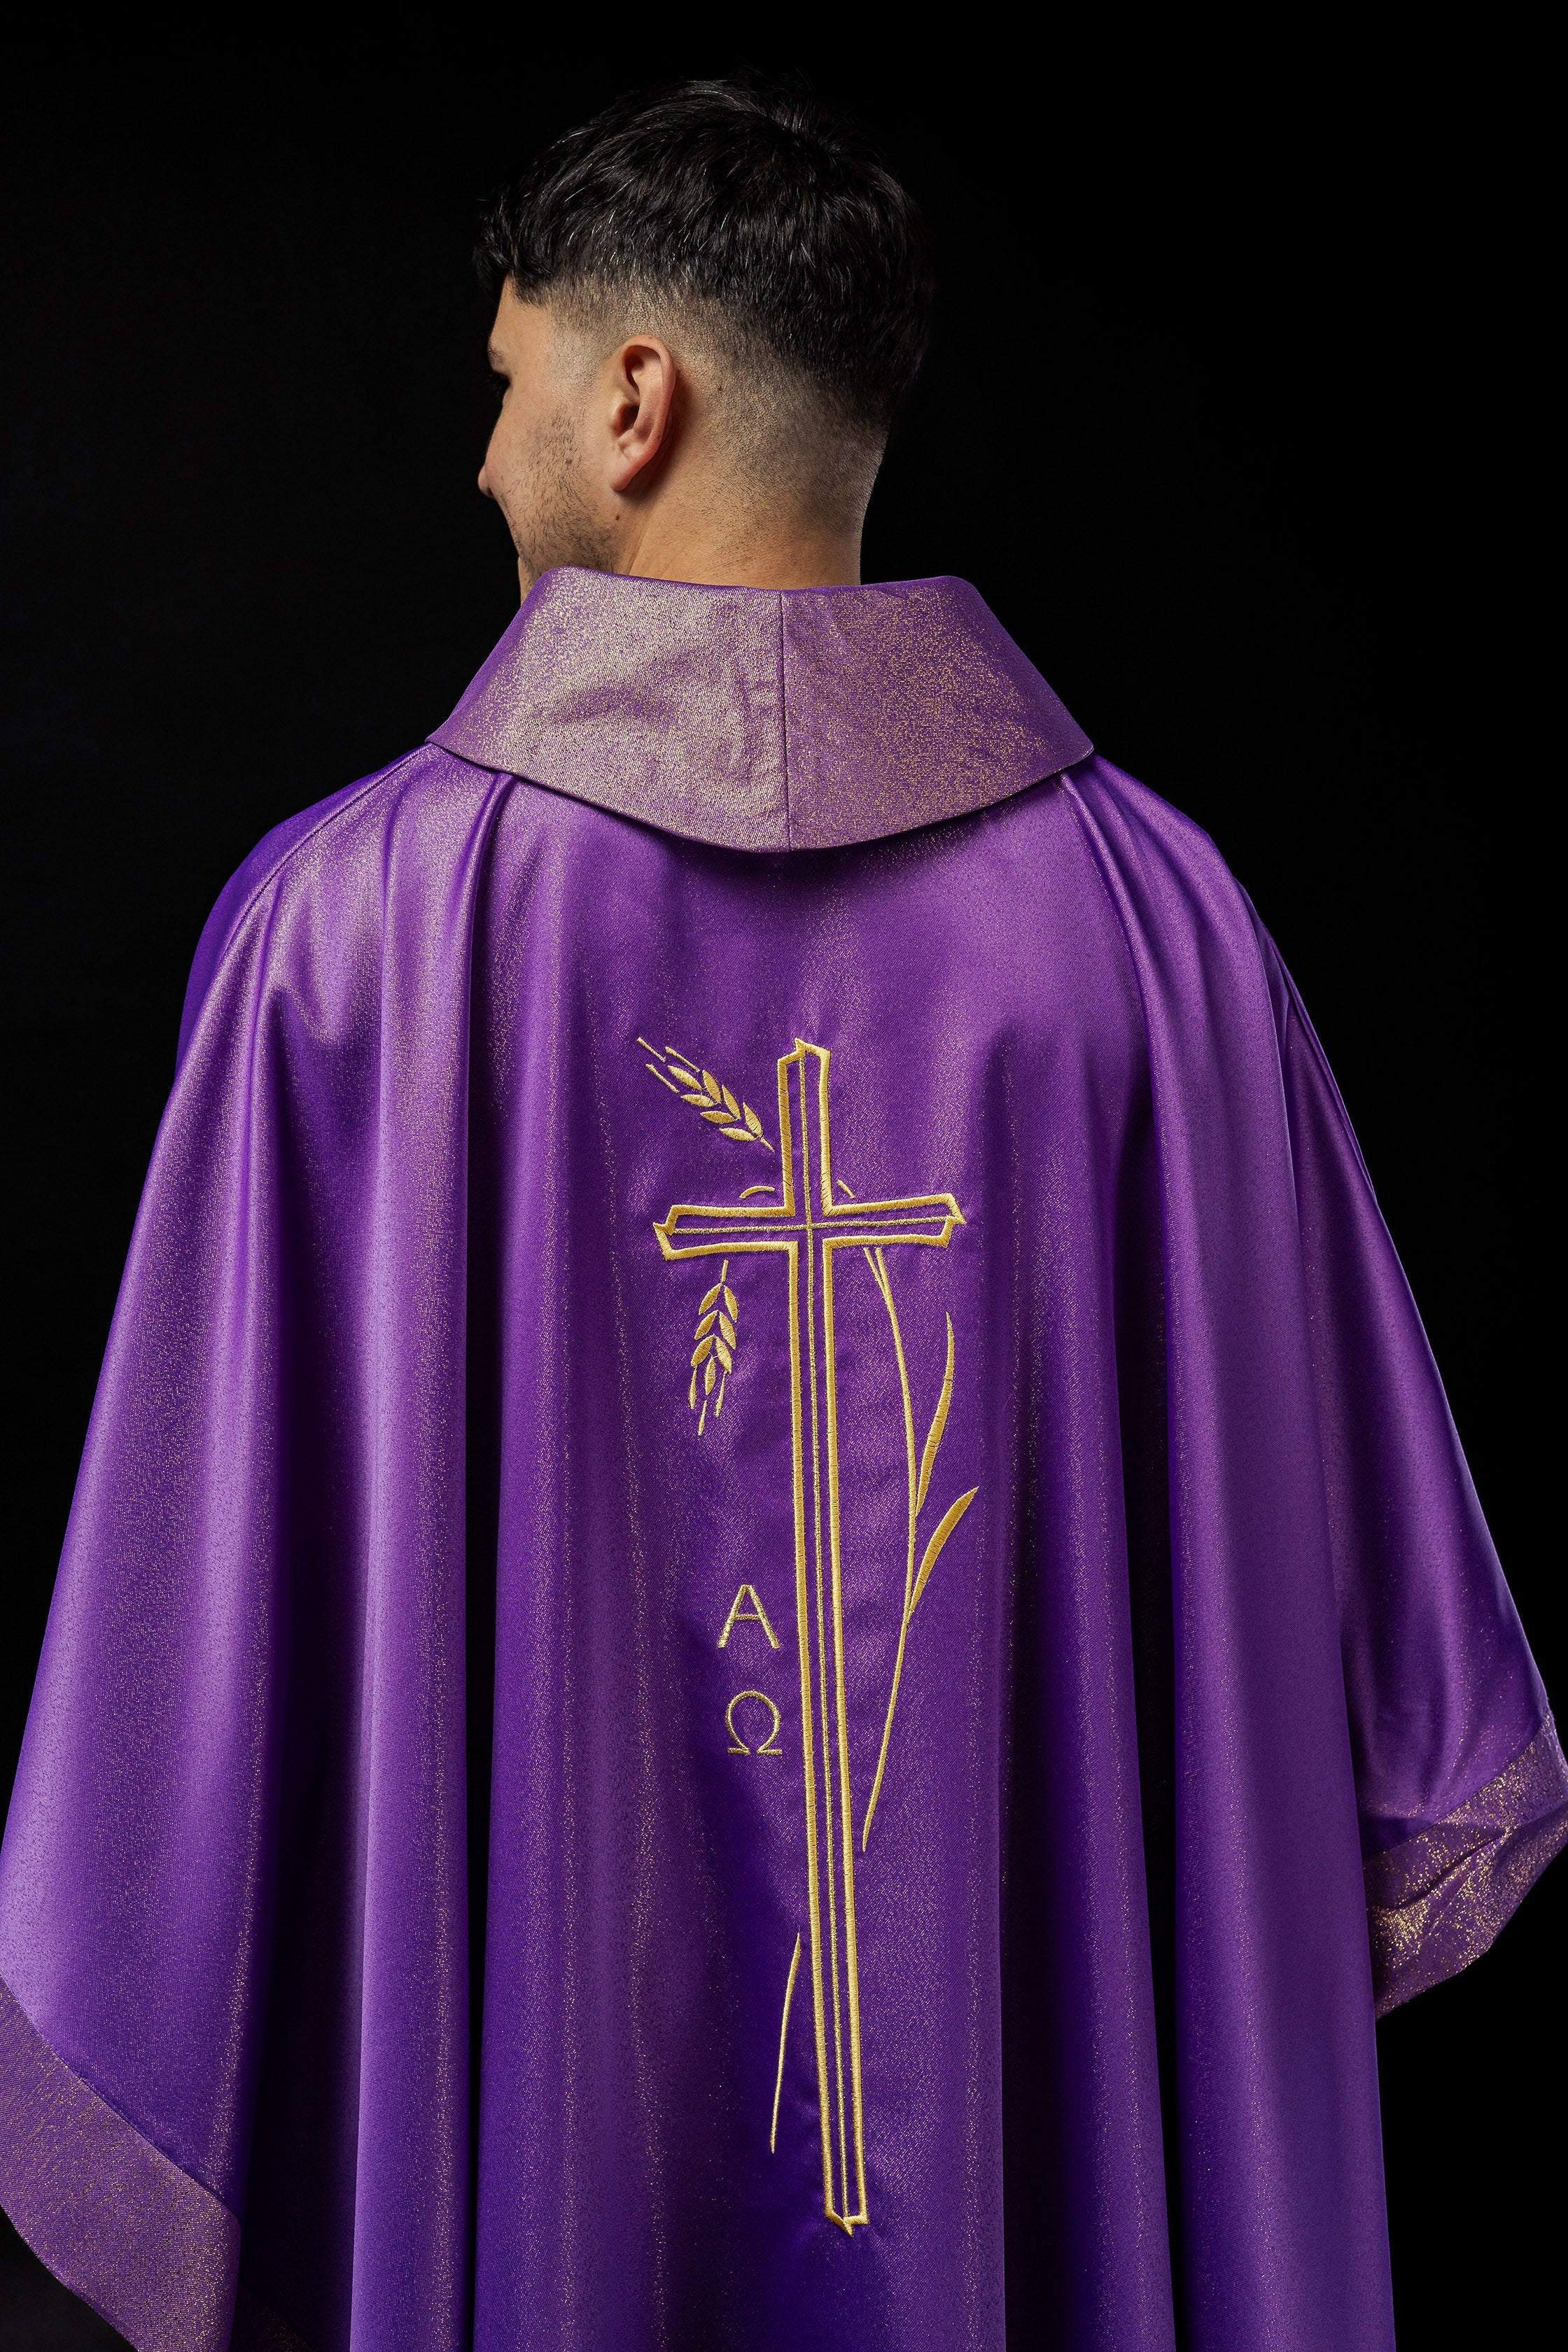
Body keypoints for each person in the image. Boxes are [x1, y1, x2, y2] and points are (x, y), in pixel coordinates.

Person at [0, 76, 1560, 2352]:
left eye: (509, 383)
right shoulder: (1164, 937)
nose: (483, 453)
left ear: (639, 398)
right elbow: (1364, 1686)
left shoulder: (355, 940)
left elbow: (193, 1698)